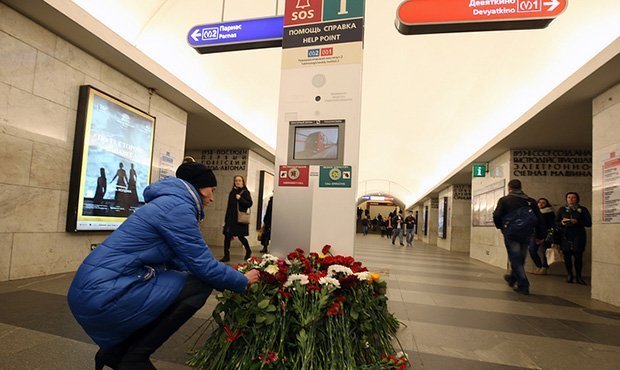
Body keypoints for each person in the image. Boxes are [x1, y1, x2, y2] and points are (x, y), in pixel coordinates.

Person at [67, 162, 260, 370]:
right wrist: (242, 280)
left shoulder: (168, 203)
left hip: (95, 287)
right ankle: (135, 356)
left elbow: (182, 259)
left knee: (187, 282)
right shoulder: (177, 208)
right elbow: (202, 264)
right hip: (103, 291)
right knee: (199, 285)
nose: (212, 198)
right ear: (198, 187)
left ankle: (118, 350)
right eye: (211, 190)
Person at [493, 179, 544, 295]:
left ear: (509, 188)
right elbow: (539, 218)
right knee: (520, 257)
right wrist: (541, 235)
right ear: (520, 187)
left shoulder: (505, 200)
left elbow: (497, 215)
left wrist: (501, 227)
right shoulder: (530, 201)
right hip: (527, 233)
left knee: (515, 258)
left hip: (511, 233)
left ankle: (523, 285)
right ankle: (512, 278)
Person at [556, 192, 592, 284]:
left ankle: (579, 276)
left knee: (578, 256)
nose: (571, 199)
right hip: (565, 235)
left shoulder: (582, 209)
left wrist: (577, 222)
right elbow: (556, 222)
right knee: (567, 256)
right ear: (566, 199)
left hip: (578, 235)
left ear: (577, 199)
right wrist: (562, 223)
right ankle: (569, 275)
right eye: (569, 197)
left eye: (573, 197)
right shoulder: (562, 209)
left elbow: (588, 223)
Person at [221, 175, 253, 262]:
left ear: (243, 182)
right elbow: (229, 207)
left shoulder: (245, 192)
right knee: (227, 236)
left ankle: (248, 250)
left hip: (239, 219)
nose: (238, 182)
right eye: (236, 181)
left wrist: (240, 199)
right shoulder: (232, 192)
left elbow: (249, 204)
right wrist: (225, 220)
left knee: (241, 237)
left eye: (239, 180)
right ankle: (226, 255)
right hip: (230, 219)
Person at [529, 198, 555, 275]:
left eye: (543, 202)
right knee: (532, 250)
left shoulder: (549, 212)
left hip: (545, 234)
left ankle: (545, 267)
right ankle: (538, 266)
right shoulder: (533, 212)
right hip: (534, 234)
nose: (541, 204)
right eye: (539, 202)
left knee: (545, 252)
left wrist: (544, 236)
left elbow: (551, 225)